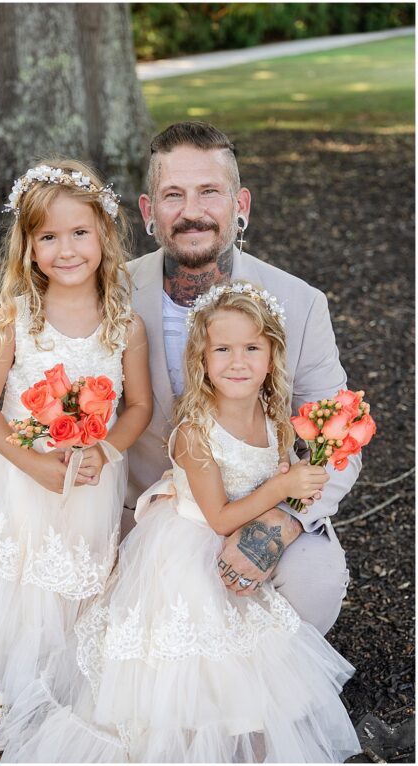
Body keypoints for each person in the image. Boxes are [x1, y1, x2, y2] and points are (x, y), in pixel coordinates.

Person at [0, 282, 361, 762]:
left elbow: (271, 483)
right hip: (188, 546)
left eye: (253, 348)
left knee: (247, 662)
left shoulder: (276, 420)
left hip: (233, 538)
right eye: (223, 349)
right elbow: (218, 516)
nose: (238, 362)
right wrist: (282, 488)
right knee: (183, 664)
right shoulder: (195, 432)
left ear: (273, 356)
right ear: (202, 360)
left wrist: (295, 484)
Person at [0, 159, 152, 750]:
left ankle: (62, 665)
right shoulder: (16, 318)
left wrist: (105, 448)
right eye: (48, 236)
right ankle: (13, 681)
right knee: (24, 576)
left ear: (104, 237)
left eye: (79, 233)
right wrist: (35, 462)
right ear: (29, 247)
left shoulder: (126, 326)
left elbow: (138, 407)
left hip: (88, 475)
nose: (65, 249)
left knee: (75, 576)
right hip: (22, 470)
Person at [126, 121, 355, 634]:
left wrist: (283, 521)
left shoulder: (299, 302)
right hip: (136, 520)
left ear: (240, 205)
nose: (192, 212)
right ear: (148, 211)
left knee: (315, 579)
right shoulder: (108, 292)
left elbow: (340, 435)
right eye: (172, 195)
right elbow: (31, 393)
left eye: (210, 192)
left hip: (260, 508)